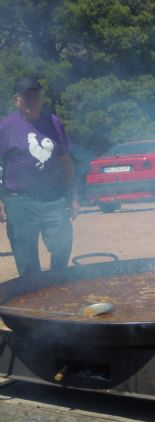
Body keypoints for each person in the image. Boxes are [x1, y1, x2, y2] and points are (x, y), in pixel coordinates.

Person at [0, 77, 79, 277]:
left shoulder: (53, 122)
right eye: (27, 97)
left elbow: (65, 160)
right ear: (17, 100)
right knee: (26, 259)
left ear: (41, 98)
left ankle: (56, 282)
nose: (32, 101)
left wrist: (73, 194)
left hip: (53, 198)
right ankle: (31, 299)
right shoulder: (6, 126)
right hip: (19, 201)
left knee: (63, 242)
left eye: (36, 96)